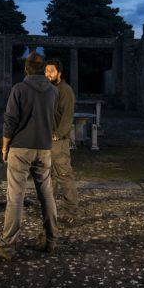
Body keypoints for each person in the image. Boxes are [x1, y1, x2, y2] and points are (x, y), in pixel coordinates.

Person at [0, 52, 59, 260]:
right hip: (44, 148)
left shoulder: (19, 89)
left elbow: (10, 120)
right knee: (46, 194)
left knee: (16, 196)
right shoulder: (53, 91)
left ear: (26, 69)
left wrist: (5, 146)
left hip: (21, 148)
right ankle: (51, 239)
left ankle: (7, 246)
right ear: (42, 70)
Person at [44, 58, 80, 225]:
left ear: (59, 73)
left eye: (51, 71)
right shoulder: (49, 89)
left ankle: (71, 211)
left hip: (58, 141)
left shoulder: (65, 90)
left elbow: (67, 116)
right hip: (46, 141)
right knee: (50, 177)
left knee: (64, 175)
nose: (47, 74)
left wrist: (58, 134)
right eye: (46, 71)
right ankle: (50, 210)